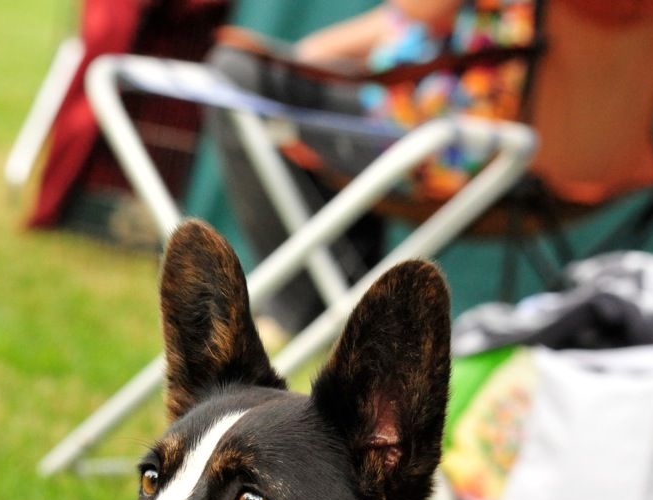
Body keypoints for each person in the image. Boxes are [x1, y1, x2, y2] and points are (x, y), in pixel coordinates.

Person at [207, 1, 534, 339]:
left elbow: (423, 11)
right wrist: (306, 60)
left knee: (238, 73)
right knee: (251, 74)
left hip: (444, 144)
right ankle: (331, 304)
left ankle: (305, 314)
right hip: (473, 138)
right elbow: (401, 19)